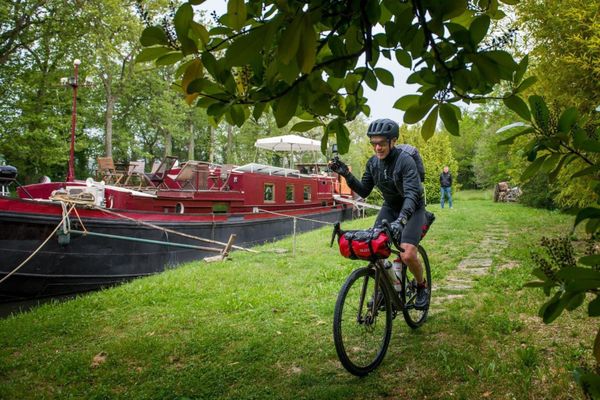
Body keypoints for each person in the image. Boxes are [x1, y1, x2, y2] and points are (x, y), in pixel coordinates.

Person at [329, 118, 430, 310]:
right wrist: (347, 175)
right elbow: (364, 190)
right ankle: (387, 290)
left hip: (413, 207)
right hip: (390, 207)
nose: (377, 148)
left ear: (392, 142)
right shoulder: (373, 163)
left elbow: (411, 194)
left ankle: (421, 286)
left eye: (382, 143)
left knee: (407, 254)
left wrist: (402, 220)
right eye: (373, 143)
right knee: (373, 247)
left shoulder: (405, 161)